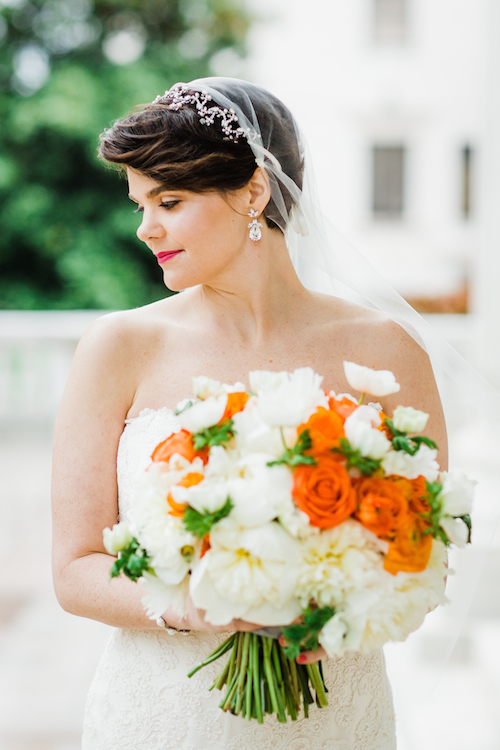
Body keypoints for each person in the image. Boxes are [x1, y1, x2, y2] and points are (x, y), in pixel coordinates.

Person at [52, 78, 447, 749]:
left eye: (168, 201)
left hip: (336, 718)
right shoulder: (118, 348)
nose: (146, 228)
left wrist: (343, 601)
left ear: (254, 192)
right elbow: (74, 569)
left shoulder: (388, 352)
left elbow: (426, 546)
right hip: (165, 719)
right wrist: (197, 607)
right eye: (141, 204)